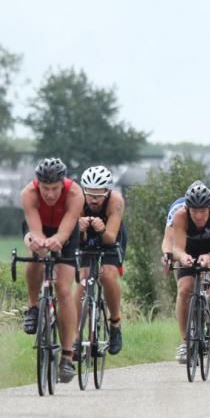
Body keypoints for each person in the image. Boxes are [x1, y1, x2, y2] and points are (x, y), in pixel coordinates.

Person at [20, 157, 84, 382]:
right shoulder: (28, 194)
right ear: (38, 184)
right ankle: (33, 307)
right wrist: (38, 242)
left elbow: (66, 230)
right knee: (35, 255)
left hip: (66, 231)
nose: (49, 194)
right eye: (45, 189)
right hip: (39, 226)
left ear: (63, 183)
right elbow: (36, 230)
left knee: (63, 289)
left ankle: (67, 356)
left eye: (55, 188)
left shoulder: (75, 194)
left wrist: (58, 240)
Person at [170, 181, 210, 363]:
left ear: (209, 208)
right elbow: (177, 248)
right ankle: (184, 342)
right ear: (187, 209)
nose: (198, 216)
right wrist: (183, 257)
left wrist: (209, 257)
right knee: (184, 289)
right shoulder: (180, 216)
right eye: (194, 211)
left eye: (203, 211)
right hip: (189, 250)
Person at [74, 165, 127, 355]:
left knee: (107, 275)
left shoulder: (115, 201)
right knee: (83, 279)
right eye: (90, 195)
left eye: (99, 195)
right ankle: (75, 335)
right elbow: (77, 241)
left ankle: (115, 323)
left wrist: (101, 229)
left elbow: (110, 238)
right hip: (86, 239)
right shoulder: (77, 201)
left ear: (107, 191)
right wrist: (80, 230)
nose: (94, 200)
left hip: (110, 237)